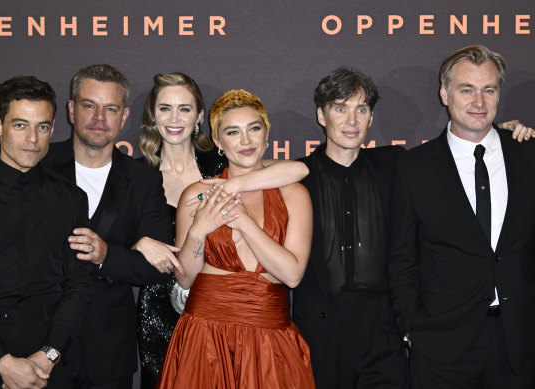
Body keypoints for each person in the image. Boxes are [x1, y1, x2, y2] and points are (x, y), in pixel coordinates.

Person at [0, 65, 174, 388]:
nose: (99, 116)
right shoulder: (29, 161)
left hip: (101, 351)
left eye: (110, 108)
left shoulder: (142, 180)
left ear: (124, 116)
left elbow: (157, 268)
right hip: (5, 351)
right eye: (89, 105)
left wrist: (105, 254)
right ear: (71, 110)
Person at [134, 73, 310, 388]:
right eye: (233, 132)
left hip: (270, 340)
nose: (246, 141)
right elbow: (185, 277)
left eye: (254, 129)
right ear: (218, 141)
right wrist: (198, 231)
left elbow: (292, 275)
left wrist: (241, 219)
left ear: (266, 135)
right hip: (204, 338)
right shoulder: (196, 194)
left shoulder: (293, 193)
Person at [389, 45, 535, 388]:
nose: (479, 102)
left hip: (519, 344)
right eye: (466, 89)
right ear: (444, 93)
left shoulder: (528, 155)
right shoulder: (414, 167)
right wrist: (412, 329)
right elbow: (401, 259)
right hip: (442, 347)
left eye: (489, 90)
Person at [0, 76, 93, 388]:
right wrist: (2, 362)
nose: (32, 138)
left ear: (53, 128)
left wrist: (48, 355)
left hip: (51, 361)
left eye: (42, 126)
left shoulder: (71, 197)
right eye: (20, 125)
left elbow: (79, 284)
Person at [292, 67, 408, 389]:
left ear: (371, 118)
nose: (352, 121)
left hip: (382, 331)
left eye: (362, 109)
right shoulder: (297, 176)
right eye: (340, 108)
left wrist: (501, 134)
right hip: (319, 331)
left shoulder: (395, 166)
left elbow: (451, 155)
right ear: (321, 115)